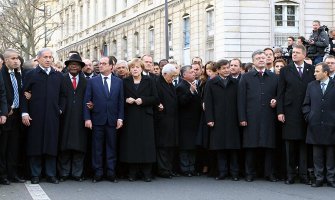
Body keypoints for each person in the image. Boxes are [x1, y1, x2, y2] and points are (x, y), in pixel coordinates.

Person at [21, 48, 64, 184]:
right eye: (45, 57)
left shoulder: (58, 76)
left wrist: (60, 109)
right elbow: (24, 94)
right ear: (38, 59)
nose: (48, 59)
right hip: (35, 115)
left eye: (50, 57)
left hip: (53, 115)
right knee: (35, 144)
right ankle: (35, 174)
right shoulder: (31, 74)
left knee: (51, 145)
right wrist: (25, 112)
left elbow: (63, 95)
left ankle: (51, 174)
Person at [277, 44, 315, 185]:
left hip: (306, 112)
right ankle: (290, 174)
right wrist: (280, 111)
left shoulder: (312, 70)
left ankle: (304, 175)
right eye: (293, 52)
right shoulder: (285, 70)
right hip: (289, 112)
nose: (294, 54)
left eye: (298, 52)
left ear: (304, 55)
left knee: (304, 145)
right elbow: (280, 93)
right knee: (289, 145)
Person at [238, 50, 278, 182]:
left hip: (269, 116)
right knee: (251, 146)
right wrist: (242, 118)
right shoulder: (246, 77)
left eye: (263, 57)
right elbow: (241, 99)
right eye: (258, 58)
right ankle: (249, 173)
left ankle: (269, 173)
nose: (261, 59)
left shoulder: (274, 77)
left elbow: (279, 94)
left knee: (269, 146)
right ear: (253, 61)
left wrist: (275, 100)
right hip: (251, 117)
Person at [83, 56, 124, 183]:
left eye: (104, 63)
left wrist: (120, 118)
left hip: (112, 120)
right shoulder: (92, 81)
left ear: (111, 66)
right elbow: (87, 101)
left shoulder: (118, 82)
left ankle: (111, 172)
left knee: (112, 147)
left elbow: (121, 101)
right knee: (97, 148)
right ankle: (98, 172)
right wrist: (87, 118)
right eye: (100, 63)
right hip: (97, 119)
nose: (100, 65)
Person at [120, 58, 158, 182]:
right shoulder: (125, 82)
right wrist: (126, 100)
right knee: (132, 145)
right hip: (130, 116)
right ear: (129, 70)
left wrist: (144, 100)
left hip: (145, 116)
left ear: (141, 68)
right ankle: (132, 173)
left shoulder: (150, 80)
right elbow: (120, 98)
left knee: (146, 145)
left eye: (137, 67)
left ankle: (147, 173)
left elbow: (156, 98)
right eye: (132, 67)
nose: (135, 69)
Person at [205, 60, 240, 181]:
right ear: (218, 70)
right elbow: (208, 102)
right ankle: (222, 172)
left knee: (233, 148)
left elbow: (239, 102)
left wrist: (240, 118)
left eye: (228, 67)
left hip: (232, 118)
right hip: (217, 119)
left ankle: (235, 172)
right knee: (220, 148)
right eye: (224, 68)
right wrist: (209, 118)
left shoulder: (235, 83)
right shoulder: (211, 83)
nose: (227, 70)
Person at [302, 62, 335, 188]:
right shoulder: (311, 85)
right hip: (315, 125)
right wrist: (309, 117)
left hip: (331, 125)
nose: (314, 73)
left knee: (331, 154)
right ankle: (319, 178)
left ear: (325, 73)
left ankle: (331, 178)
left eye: (317, 71)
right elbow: (306, 104)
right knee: (317, 155)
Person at [58, 54, 87, 182]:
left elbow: (90, 98)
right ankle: (64, 173)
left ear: (81, 67)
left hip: (81, 118)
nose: (74, 66)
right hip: (64, 118)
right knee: (64, 146)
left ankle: (77, 174)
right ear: (67, 66)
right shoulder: (61, 79)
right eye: (71, 64)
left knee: (79, 147)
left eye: (77, 64)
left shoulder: (87, 81)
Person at [0, 49, 22, 185]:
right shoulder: (1, 74)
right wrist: (6, 109)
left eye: (17, 58)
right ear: (6, 60)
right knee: (3, 148)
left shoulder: (18, 74)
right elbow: (2, 94)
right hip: (6, 114)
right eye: (13, 58)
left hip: (17, 116)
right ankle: (2, 175)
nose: (16, 61)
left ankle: (12, 173)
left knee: (14, 147)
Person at [176, 65, 202, 177]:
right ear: (184, 75)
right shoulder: (180, 86)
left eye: (194, 71)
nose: (194, 73)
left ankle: (192, 167)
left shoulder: (195, 84)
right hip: (185, 122)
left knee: (193, 146)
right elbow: (181, 103)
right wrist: (190, 92)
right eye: (191, 72)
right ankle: (185, 168)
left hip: (195, 121)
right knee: (185, 146)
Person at [155, 64, 179, 178]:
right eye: (172, 76)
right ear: (164, 74)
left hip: (172, 120)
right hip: (162, 119)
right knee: (163, 146)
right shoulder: (157, 83)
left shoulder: (170, 84)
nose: (173, 79)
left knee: (170, 146)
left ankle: (168, 168)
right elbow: (156, 99)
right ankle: (163, 170)